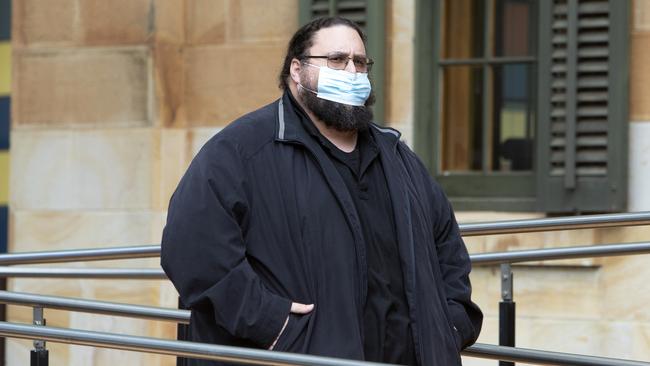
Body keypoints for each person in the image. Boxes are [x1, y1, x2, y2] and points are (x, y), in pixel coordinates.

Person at [161, 16, 482, 366]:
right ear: (296, 70)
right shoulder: (242, 150)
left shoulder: (398, 158)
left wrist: (450, 324)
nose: (351, 71)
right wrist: (271, 321)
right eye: (336, 60)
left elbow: (448, 247)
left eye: (359, 62)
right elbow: (193, 245)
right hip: (301, 357)